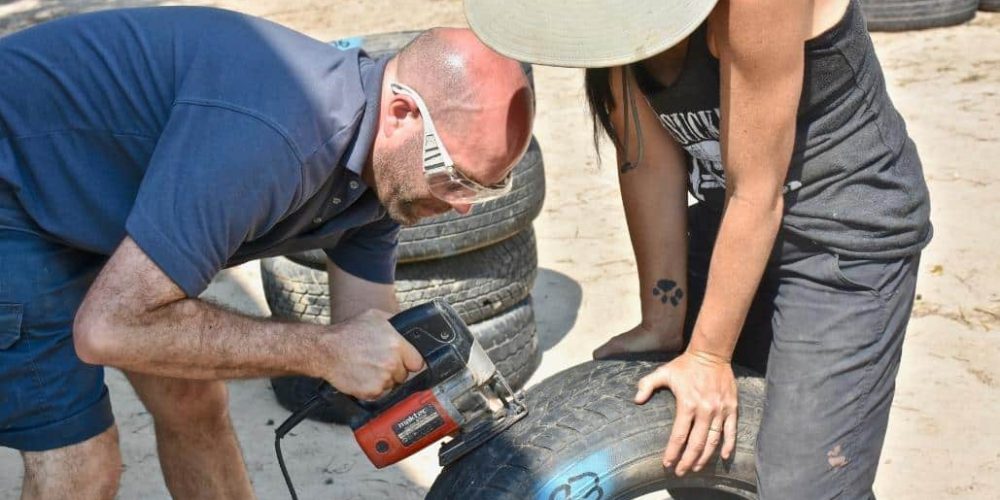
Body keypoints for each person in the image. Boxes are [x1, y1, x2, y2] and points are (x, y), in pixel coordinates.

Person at [0, 8, 533, 499]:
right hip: (14, 183)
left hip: (91, 192)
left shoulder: (384, 180)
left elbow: (367, 332)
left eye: (487, 191)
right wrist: (323, 351)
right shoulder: (279, 136)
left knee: (194, 401)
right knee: (81, 464)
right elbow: (108, 329)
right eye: (457, 178)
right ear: (401, 114)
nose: (464, 209)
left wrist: (447, 399)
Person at [464, 0, 930, 497]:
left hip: (841, 241)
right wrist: (662, 320)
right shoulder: (607, 21)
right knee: (691, 449)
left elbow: (756, 189)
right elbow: (647, 163)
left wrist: (708, 356)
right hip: (728, 222)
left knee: (805, 480)